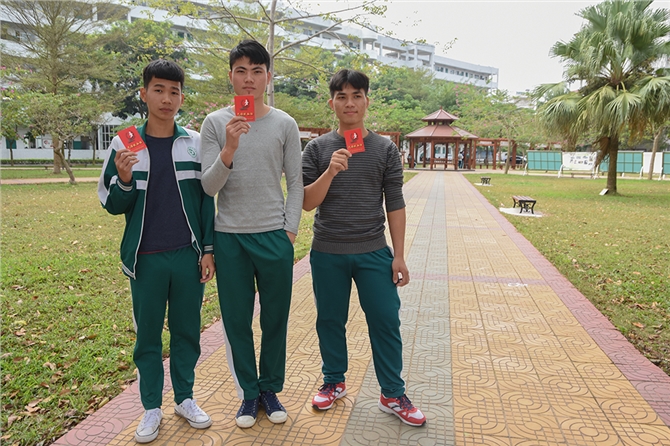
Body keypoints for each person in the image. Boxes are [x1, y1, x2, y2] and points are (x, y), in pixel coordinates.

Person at [98, 59, 215, 443]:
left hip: (187, 255)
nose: (167, 98)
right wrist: (124, 179)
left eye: (174, 91)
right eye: (159, 90)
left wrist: (208, 249)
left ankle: (185, 398)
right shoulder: (125, 142)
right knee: (147, 336)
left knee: (187, 332)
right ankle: (151, 406)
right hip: (145, 258)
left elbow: (206, 200)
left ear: (182, 96)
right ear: (144, 93)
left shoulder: (193, 143)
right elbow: (111, 203)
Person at [302, 69, 426, 427]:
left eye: (356, 95)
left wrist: (398, 255)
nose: (350, 103)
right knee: (330, 319)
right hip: (328, 251)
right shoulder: (316, 149)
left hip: (373, 251)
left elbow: (395, 202)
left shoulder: (385, 149)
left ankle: (392, 393)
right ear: (332, 103)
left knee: (385, 319)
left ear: (367, 101)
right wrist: (330, 171)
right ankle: (333, 381)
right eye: (342, 96)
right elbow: (306, 203)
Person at [199, 40, 303, 429]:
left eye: (257, 71)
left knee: (275, 319)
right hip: (230, 237)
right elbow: (208, 187)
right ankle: (248, 392)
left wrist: (289, 230)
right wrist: (229, 147)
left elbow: (296, 181)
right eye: (241, 71)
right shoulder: (214, 123)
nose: (249, 79)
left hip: (274, 236)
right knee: (236, 320)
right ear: (230, 75)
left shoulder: (285, 124)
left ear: (268, 77)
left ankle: (270, 389)